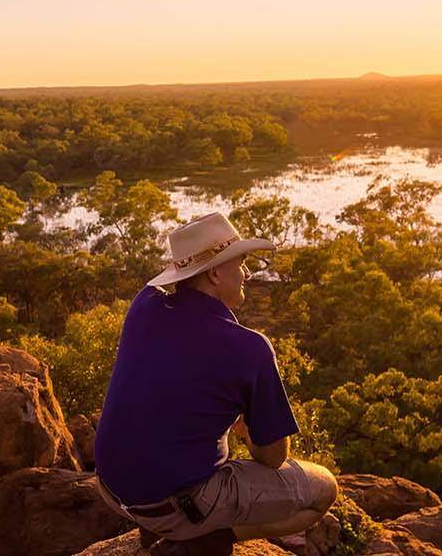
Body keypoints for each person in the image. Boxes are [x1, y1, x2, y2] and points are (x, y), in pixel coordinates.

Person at [94, 213, 338, 555]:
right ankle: (200, 542)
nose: (248, 274)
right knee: (323, 490)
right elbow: (273, 457)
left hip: (112, 489)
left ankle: (168, 528)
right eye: (241, 263)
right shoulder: (249, 348)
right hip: (174, 504)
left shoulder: (143, 306)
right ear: (215, 273)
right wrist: (248, 431)